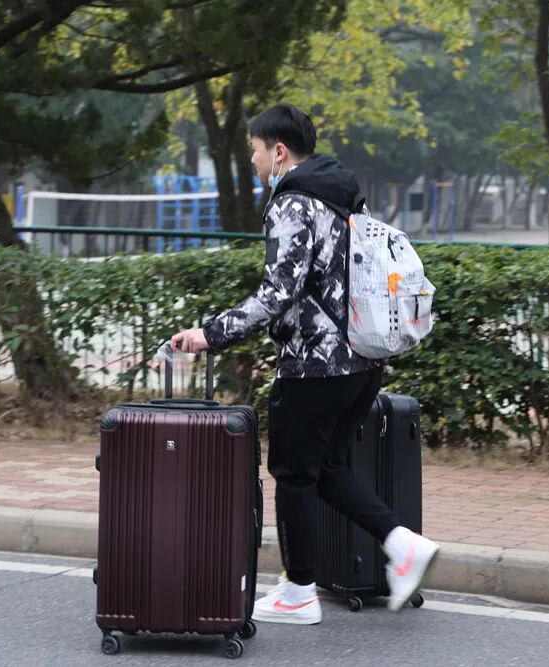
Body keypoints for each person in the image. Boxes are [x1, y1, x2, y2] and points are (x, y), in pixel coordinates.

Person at [170, 103, 439, 625]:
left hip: (316, 366)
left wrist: (211, 333)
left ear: (279, 151)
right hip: (363, 363)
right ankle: (403, 544)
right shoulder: (344, 199)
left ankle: (298, 593)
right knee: (327, 468)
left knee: (293, 475)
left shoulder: (293, 202)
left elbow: (279, 291)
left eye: (254, 150)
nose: (252, 160)